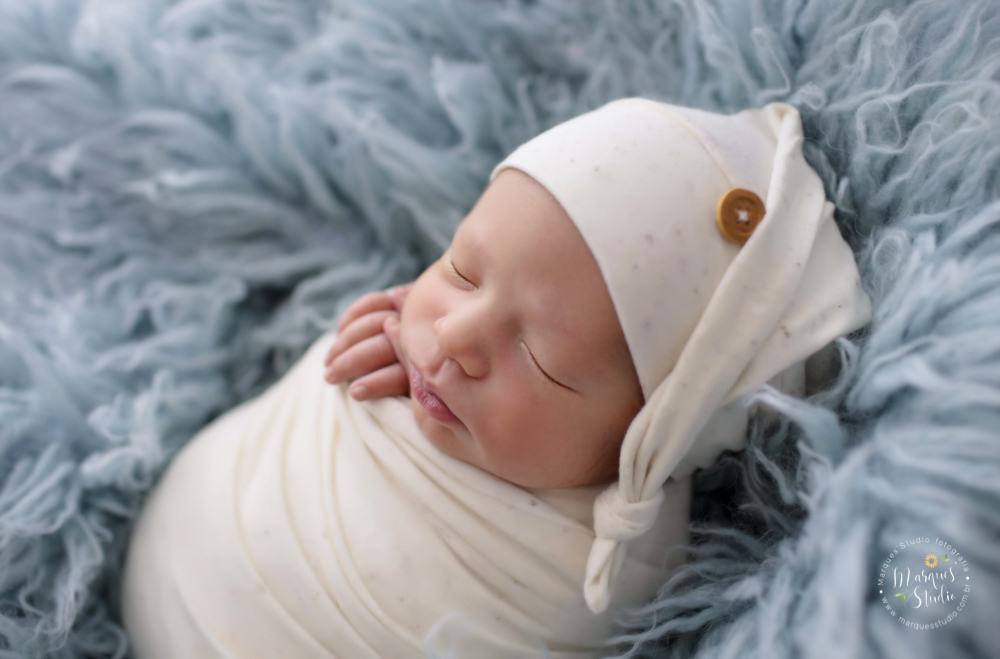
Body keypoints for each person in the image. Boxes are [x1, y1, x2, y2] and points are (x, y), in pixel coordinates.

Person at [121, 98, 871, 658]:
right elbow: (331, 388)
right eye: (462, 268)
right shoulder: (429, 344)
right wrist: (356, 348)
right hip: (177, 543)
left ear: (646, 441)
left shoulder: (598, 576)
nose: (449, 334)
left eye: (542, 360)